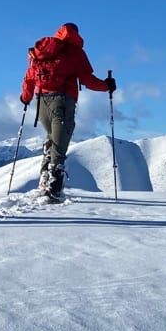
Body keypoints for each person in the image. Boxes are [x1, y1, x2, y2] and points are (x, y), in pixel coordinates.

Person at [19, 22, 116, 201]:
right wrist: (106, 86)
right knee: (60, 144)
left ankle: (44, 178)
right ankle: (54, 189)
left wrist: (25, 98)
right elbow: (87, 79)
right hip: (62, 100)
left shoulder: (43, 50)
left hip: (41, 103)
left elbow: (29, 78)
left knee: (52, 138)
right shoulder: (75, 52)